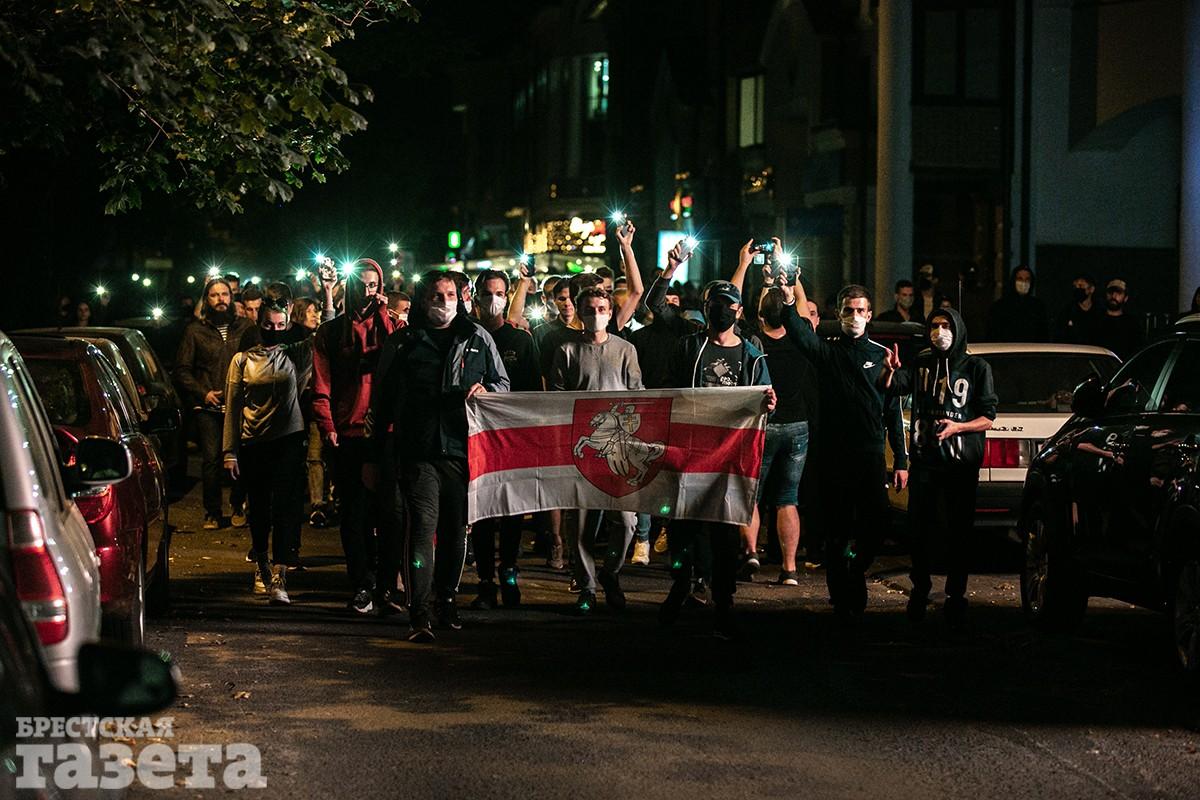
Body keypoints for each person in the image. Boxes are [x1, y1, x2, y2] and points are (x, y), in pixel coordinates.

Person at [371, 271, 509, 643]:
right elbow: (382, 401)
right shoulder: (403, 342)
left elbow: (503, 384)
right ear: (423, 299)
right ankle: (419, 610)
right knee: (421, 528)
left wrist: (487, 389)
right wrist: (377, 455)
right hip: (418, 451)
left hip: (463, 451)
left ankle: (446, 599)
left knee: (455, 530)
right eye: (436, 295)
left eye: (450, 295)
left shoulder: (477, 337)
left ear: (460, 298)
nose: (444, 301)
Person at [775, 266, 908, 621]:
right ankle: (841, 593)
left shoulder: (882, 355)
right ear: (839, 313)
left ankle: (857, 570)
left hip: (870, 454)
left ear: (869, 314)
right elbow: (801, 336)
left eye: (860, 310)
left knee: (877, 523)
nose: (854, 316)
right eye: (848, 310)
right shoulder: (828, 352)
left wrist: (901, 460)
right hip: (834, 455)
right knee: (836, 530)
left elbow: (893, 412)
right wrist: (788, 300)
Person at [658, 279, 776, 639]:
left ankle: (724, 602)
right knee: (683, 528)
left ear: (738, 311)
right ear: (706, 308)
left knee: (724, 534)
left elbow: (765, 400)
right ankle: (682, 582)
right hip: (690, 454)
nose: (721, 311)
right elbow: (669, 390)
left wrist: (769, 404)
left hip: (729, 458)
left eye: (727, 305)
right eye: (714, 304)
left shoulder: (752, 357)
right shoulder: (689, 346)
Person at [889, 309, 996, 629]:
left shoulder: (977, 367)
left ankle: (956, 595)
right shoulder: (923, 361)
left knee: (958, 531)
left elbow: (988, 417)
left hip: (961, 465)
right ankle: (919, 590)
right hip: (925, 461)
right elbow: (897, 387)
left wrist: (957, 427)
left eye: (946, 326)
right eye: (934, 326)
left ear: (958, 329)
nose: (940, 332)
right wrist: (890, 372)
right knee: (920, 530)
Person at [551, 286, 645, 616]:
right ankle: (587, 586)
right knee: (580, 524)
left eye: (602, 309)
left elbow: (638, 396)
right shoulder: (566, 351)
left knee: (626, 521)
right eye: (590, 310)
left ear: (610, 311)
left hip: (618, 450)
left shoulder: (625, 350)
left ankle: (610, 573)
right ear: (579, 312)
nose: (596, 315)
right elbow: (556, 401)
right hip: (582, 451)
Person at [313, 259, 396, 613]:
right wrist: (328, 426)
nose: (367, 291)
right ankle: (362, 582)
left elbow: (397, 357)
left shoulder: (392, 324)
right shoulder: (331, 332)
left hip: (387, 431)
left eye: (373, 285)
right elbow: (321, 383)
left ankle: (387, 583)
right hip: (348, 432)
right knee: (354, 513)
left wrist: (384, 316)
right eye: (361, 284)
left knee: (389, 512)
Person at [222, 300, 314, 604]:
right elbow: (233, 407)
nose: (274, 330)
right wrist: (230, 451)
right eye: (268, 324)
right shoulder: (241, 361)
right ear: (258, 325)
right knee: (259, 508)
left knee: (286, 509)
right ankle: (261, 565)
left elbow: (323, 335)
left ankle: (279, 574)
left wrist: (328, 293)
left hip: (288, 440)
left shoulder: (294, 355)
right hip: (254, 442)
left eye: (280, 325)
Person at [468, 269, 541, 610]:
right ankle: (485, 582)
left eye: (499, 293)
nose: (493, 299)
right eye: (487, 293)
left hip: (513, 438)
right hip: (477, 438)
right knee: (482, 510)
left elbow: (533, 392)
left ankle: (509, 571)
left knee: (512, 509)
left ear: (508, 295)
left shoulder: (521, 341)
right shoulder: (467, 337)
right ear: (476, 296)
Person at [175, 278, 260, 529]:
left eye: (224, 294)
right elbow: (182, 369)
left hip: (239, 404)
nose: (220, 299)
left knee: (240, 457)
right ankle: (212, 512)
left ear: (232, 297)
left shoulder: (245, 327)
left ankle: (238, 504)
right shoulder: (195, 331)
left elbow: (257, 359)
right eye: (214, 295)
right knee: (212, 459)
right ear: (206, 299)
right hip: (208, 407)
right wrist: (203, 394)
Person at [752, 286, 819, 586]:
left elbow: (759, 313)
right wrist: (795, 282)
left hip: (763, 425)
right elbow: (801, 308)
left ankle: (750, 553)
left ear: (761, 316)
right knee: (787, 498)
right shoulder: (800, 338)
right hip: (797, 426)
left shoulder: (756, 342)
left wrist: (766, 283)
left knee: (752, 497)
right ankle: (789, 568)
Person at [985, 265, 1049, 342]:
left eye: (1027, 279)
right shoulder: (1000, 307)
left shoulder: (1038, 307)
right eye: (1020, 279)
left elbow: (1043, 335)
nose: (1024, 283)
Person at [1095, 278, 1144, 359]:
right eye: (1111, 292)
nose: (1114, 296)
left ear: (1125, 298)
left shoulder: (1132, 324)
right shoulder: (1095, 320)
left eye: (1119, 293)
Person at [1053, 273, 1102, 344]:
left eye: (1081, 285)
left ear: (1091, 289)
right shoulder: (1067, 312)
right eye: (1075, 286)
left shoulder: (1100, 312)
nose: (1078, 289)